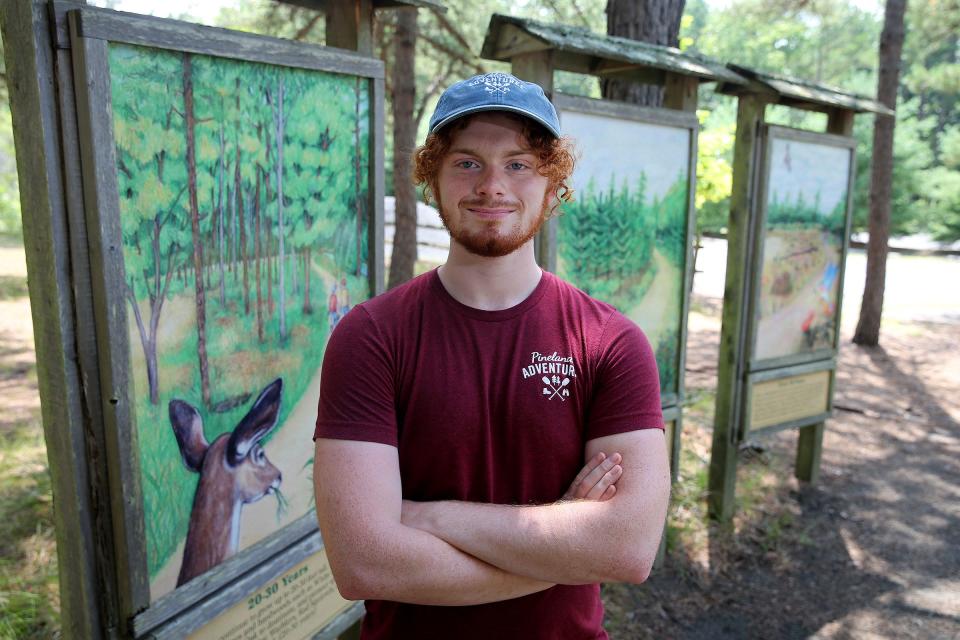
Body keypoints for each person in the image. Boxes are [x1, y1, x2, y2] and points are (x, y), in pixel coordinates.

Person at [313, 72, 670, 640]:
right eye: (467, 162)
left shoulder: (610, 342)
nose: (492, 185)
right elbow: (364, 563)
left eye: (519, 164)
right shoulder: (371, 337)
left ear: (552, 185)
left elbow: (626, 548)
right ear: (432, 178)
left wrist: (426, 516)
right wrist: (564, 550)